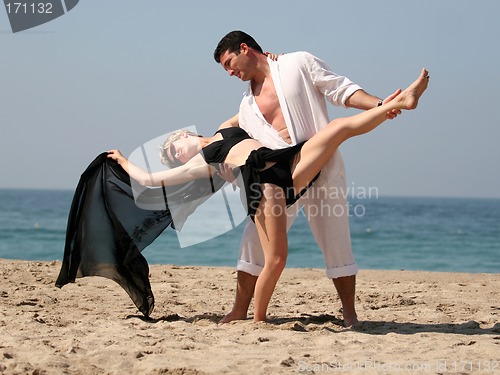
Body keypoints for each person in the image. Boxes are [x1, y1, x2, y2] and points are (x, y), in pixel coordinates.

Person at [107, 68, 429, 321]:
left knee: (338, 130)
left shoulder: (226, 125)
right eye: (174, 157)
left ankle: (397, 102)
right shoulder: (203, 164)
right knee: (275, 259)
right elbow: (153, 179)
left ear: (183, 134)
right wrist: (123, 161)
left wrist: (273, 65)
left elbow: (259, 105)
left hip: (285, 161)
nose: (178, 155)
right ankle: (257, 319)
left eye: (175, 149)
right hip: (263, 183)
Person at [213, 31, 402, 326]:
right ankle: (240, 309)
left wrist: (378, 105)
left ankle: (350, 314)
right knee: (252, 242)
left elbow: (340, 89)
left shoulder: (296, 64)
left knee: (336, 241)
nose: (229, 72)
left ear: (245, 48)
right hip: (279, 181)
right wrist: (225, 161)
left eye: (229, 62)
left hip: (321, 167)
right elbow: (236, 140)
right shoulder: (246, 107)